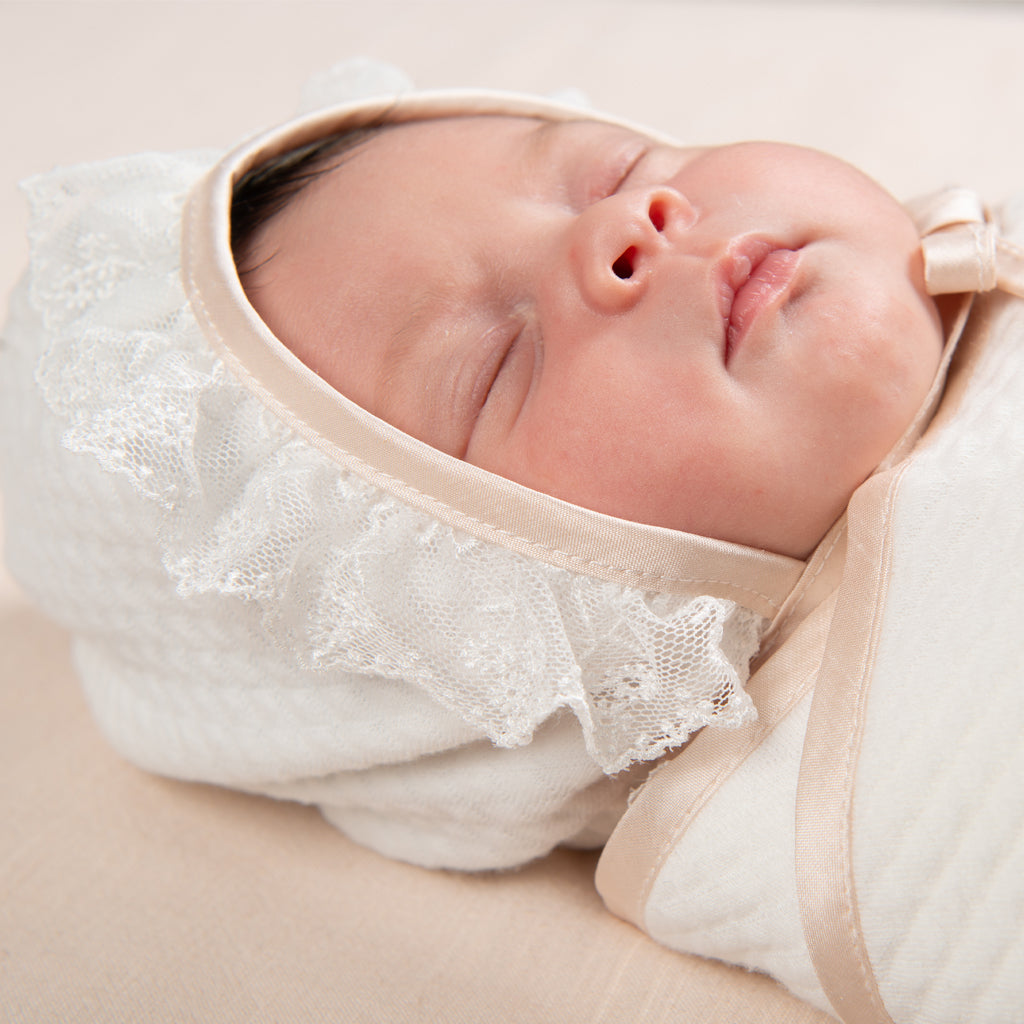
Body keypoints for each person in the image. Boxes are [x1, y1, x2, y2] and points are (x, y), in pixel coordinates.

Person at [3, 63, 1023, 1022]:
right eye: (497, 364)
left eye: (608, 169)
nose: (629, 226)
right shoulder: (843, 824)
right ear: (487, 631)